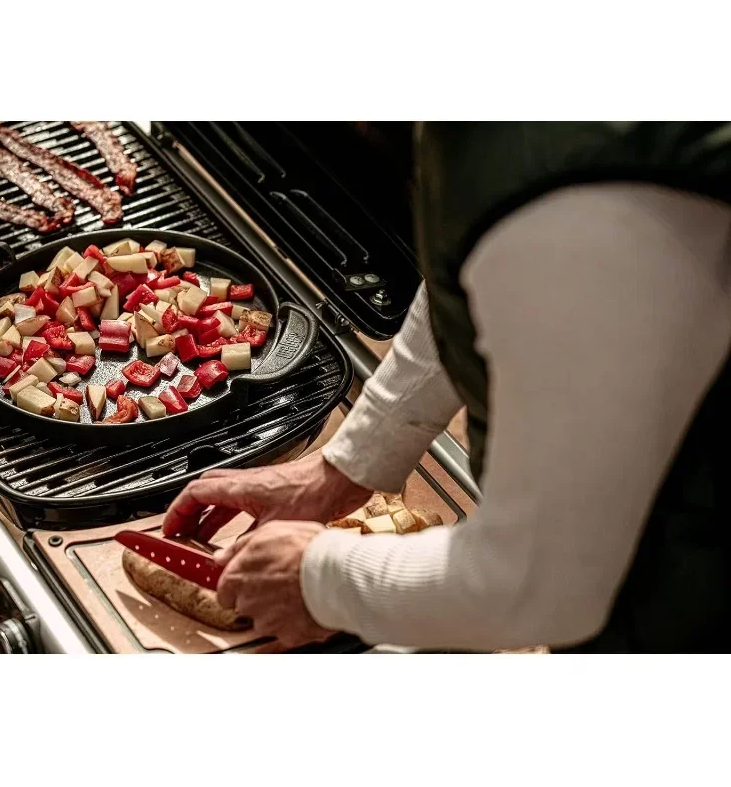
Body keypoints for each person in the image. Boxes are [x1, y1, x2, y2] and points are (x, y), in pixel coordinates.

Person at [163, 123, 731, 653]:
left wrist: (320, 579)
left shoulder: (585, 212)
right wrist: (347, 466)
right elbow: (466, 273)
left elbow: (541, 582)